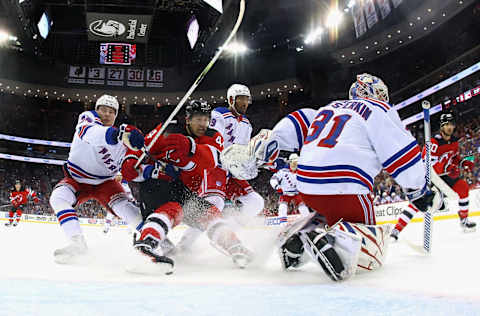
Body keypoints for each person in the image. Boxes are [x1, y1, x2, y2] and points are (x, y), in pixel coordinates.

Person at [277, 73, 436, 281]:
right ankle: (330, 239)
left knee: (333, 213)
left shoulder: (331, 106)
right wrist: (418, 189)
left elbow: (297, 124)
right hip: (345, 185)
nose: (382, 98)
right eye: (379, 93)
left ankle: (301, 235)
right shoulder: (378, 110)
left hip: (307, 184)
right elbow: (401, 153)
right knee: (373, 252)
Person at [121, 121, 253, 271]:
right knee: (172, 209)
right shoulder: (159, 135)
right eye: (198, 118)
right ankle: (148, 241)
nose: (202, 123)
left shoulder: (204, 140)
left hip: (181, 191)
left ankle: (234, 245)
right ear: (188, 120)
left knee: (209, 213)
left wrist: (191, 150)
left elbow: (208, 161)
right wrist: (143, 168)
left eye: (205, 118)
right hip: (153, 189)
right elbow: (131, 164)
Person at [49, 94, 145, 263]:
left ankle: (158, 241)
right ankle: (77, 243)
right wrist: (115, 135)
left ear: (115, 116)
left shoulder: (123, 142)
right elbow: (90, 133)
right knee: (58, 198)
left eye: (111, 112)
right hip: (76, 179)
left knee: (126, 208)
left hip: (106, 183)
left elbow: (132, 169)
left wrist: (138, 150)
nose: (106, 114)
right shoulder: (88, 118)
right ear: (96, 110)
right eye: (103, 110)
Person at [391, 112, 476, 239]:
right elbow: (427, 165)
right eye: (447, 124)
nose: (450, 127)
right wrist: (447, 167)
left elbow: (453, 157)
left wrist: (463, 162)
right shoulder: (433, 143)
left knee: (463, 187)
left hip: (446, 176)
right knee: (417, 204)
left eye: (451, 124)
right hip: (431, 177)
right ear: (442, 126)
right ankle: (396, 230)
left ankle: (464, 221)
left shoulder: (454, 142)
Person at [209, 84, 264, 217]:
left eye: (247, 99)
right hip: (216, 169)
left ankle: (234, 223)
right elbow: (211, 142)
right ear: (231, 100)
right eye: (241, 99)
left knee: (256, 202)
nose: (245, 103)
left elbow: (245, 150)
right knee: (215, 203)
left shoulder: (247, 124)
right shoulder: (219, 114)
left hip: (233, 171)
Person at [269, 153, 309, 221]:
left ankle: (307, 220)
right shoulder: (283, 171)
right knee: (283, 207)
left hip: (297, 194)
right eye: (293, 162)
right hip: (285, 193)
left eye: (296, 162)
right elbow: (273, 179)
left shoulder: (301, 172)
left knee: (303, 207)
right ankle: (281, 222)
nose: (295, 164)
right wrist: (277, 187)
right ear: (290, 162)